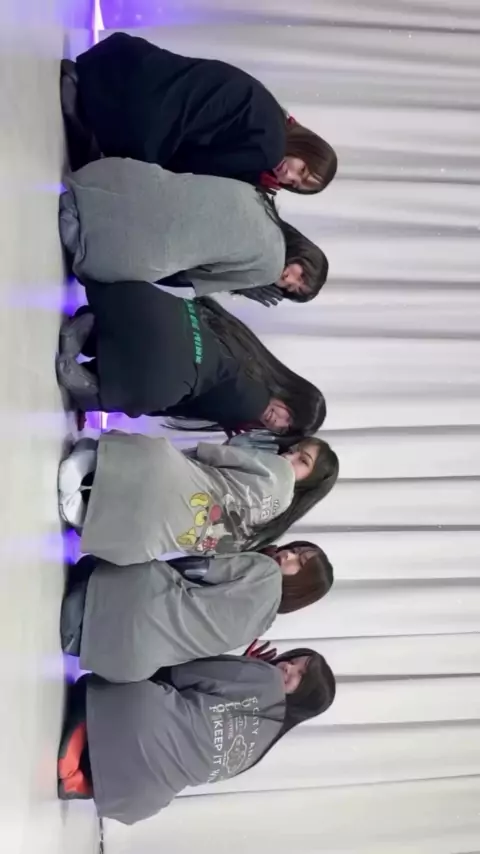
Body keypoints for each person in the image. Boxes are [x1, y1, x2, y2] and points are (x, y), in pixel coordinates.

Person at [57, 643, 336, 820]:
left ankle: (83, 733)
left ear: (302, 699)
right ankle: (85, 781)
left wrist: (240, 668)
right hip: (136, 798)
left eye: (300, 676)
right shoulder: (261, 749)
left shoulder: (266, 678)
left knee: (108, 684)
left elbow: (177, 671)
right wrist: (241, 670)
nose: (289, 667)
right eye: (296, 660)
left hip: (136, 721)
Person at [60, 32, 337, 194]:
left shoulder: (273, 112)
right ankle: (86, 118)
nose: (289, 176)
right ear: (307, 148)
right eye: (302, 169)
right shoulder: (269, 151)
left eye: (295, 185)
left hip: (129, 61)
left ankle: (85, 94)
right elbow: (195, 167)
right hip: (143, 117)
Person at [56, 285, 327, 435]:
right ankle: (91, 388)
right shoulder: (251, 405)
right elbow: (174, 402)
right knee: (164, 385)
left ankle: (89, 328)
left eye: (285, 429)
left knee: (169, 356)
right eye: (289, 415)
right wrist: (103, 404)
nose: (278, 422)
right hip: (152, 361)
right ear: (291, 396)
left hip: (137, 299)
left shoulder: (250, 349)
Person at [59, 157, 328, 303]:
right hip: (127, 247)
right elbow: (188, 280)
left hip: (106, 173)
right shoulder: (267, 270)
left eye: (291, 289)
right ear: (304, 254)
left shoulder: (258, 195)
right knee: (157, 267)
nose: (289, 280)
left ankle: (85, 208)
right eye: (301, 275)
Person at [60, 541, 334, 682]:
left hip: (116, 603)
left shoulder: (267, 571)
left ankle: (93, 589)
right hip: (113, 660)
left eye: (299, 562)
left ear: (303, 587)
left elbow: (194, 567)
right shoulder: (261, 627)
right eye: (294, 550)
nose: (287, 556)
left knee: (139, 565)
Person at [57, 432, 339, 563]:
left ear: (310, 482)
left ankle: (91, 461)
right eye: (294, 450)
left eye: (302, 460)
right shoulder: (270, 533)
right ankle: (84, 514)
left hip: (160, 473)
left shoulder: (279, 472)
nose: (289, 457)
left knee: (161, 461)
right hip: (143, 541)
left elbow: (210, 454)